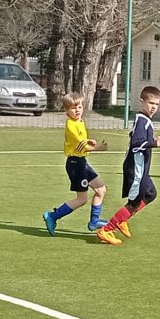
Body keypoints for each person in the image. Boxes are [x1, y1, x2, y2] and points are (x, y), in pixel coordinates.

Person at [96, 85, 160, 246]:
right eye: (151, 103)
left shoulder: (144, 120)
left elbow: (134, 137)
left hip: (140, 167)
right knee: (135, 201)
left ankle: (122, 219)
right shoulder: (142, 120)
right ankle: (106, 229)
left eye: (156, 104)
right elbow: (136, 144)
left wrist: (153, 140)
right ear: (142, 101)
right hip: (136, 168)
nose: (154, 107)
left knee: (150, 194)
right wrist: (155, 143)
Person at [44, 92, 110, 234]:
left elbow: (82, 142)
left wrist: (89, 140)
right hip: (75, 164)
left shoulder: (79, 121)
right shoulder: (71, 125)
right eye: (73, 108)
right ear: (66, 110)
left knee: (101, 189)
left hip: (82, 162)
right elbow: (81, 146)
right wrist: (98, 148)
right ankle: (52, 216)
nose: (77, 110)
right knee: (81, 199)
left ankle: (94, 221)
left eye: (79, 107)